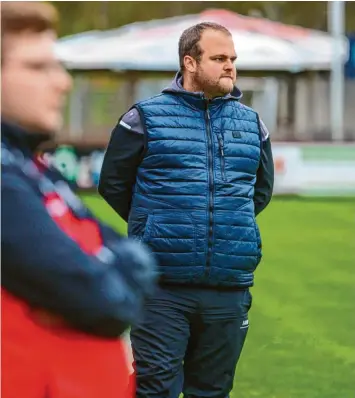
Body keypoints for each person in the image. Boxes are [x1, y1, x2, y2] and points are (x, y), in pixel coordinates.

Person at [99, 22, 274, 398]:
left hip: (229, 287)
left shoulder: (253, 124)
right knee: (155, 390)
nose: (230, 66)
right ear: (189, 62)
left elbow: (260, 192)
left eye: (233, 59)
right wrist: (155, 224)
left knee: (212, 391)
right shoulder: (144, 118)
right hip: (161, 287)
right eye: (219, 58)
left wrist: (227, 225)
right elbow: (112, 184)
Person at [1, 2, 156, 398]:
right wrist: (110, 272)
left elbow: (129, 257)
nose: (62, 82)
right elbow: (106, 302)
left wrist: (112, 269)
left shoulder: (30, 167)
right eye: (37, 68)